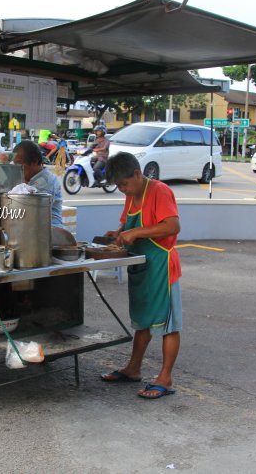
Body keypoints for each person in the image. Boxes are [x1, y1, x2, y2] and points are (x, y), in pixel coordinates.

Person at [100, 152, 182, 400]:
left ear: (137, 174)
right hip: (142, 267)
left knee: (168, 325)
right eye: (119, 187)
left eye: (124, 184)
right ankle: (134, 369)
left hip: (162, 268)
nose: (123, 190)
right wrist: (119, 232)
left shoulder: (159, 191)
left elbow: (172, 226)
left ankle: (165, 378)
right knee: (144, 321)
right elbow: (128, 224)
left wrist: (137, 233)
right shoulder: (132, 194)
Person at [12, 140, 63, 227]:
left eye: (19, 164)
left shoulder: (47, 181)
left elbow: (30, 210)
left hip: (50, 233)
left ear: (34, 161)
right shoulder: (26, 177)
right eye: (15, 164)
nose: (16, 169)